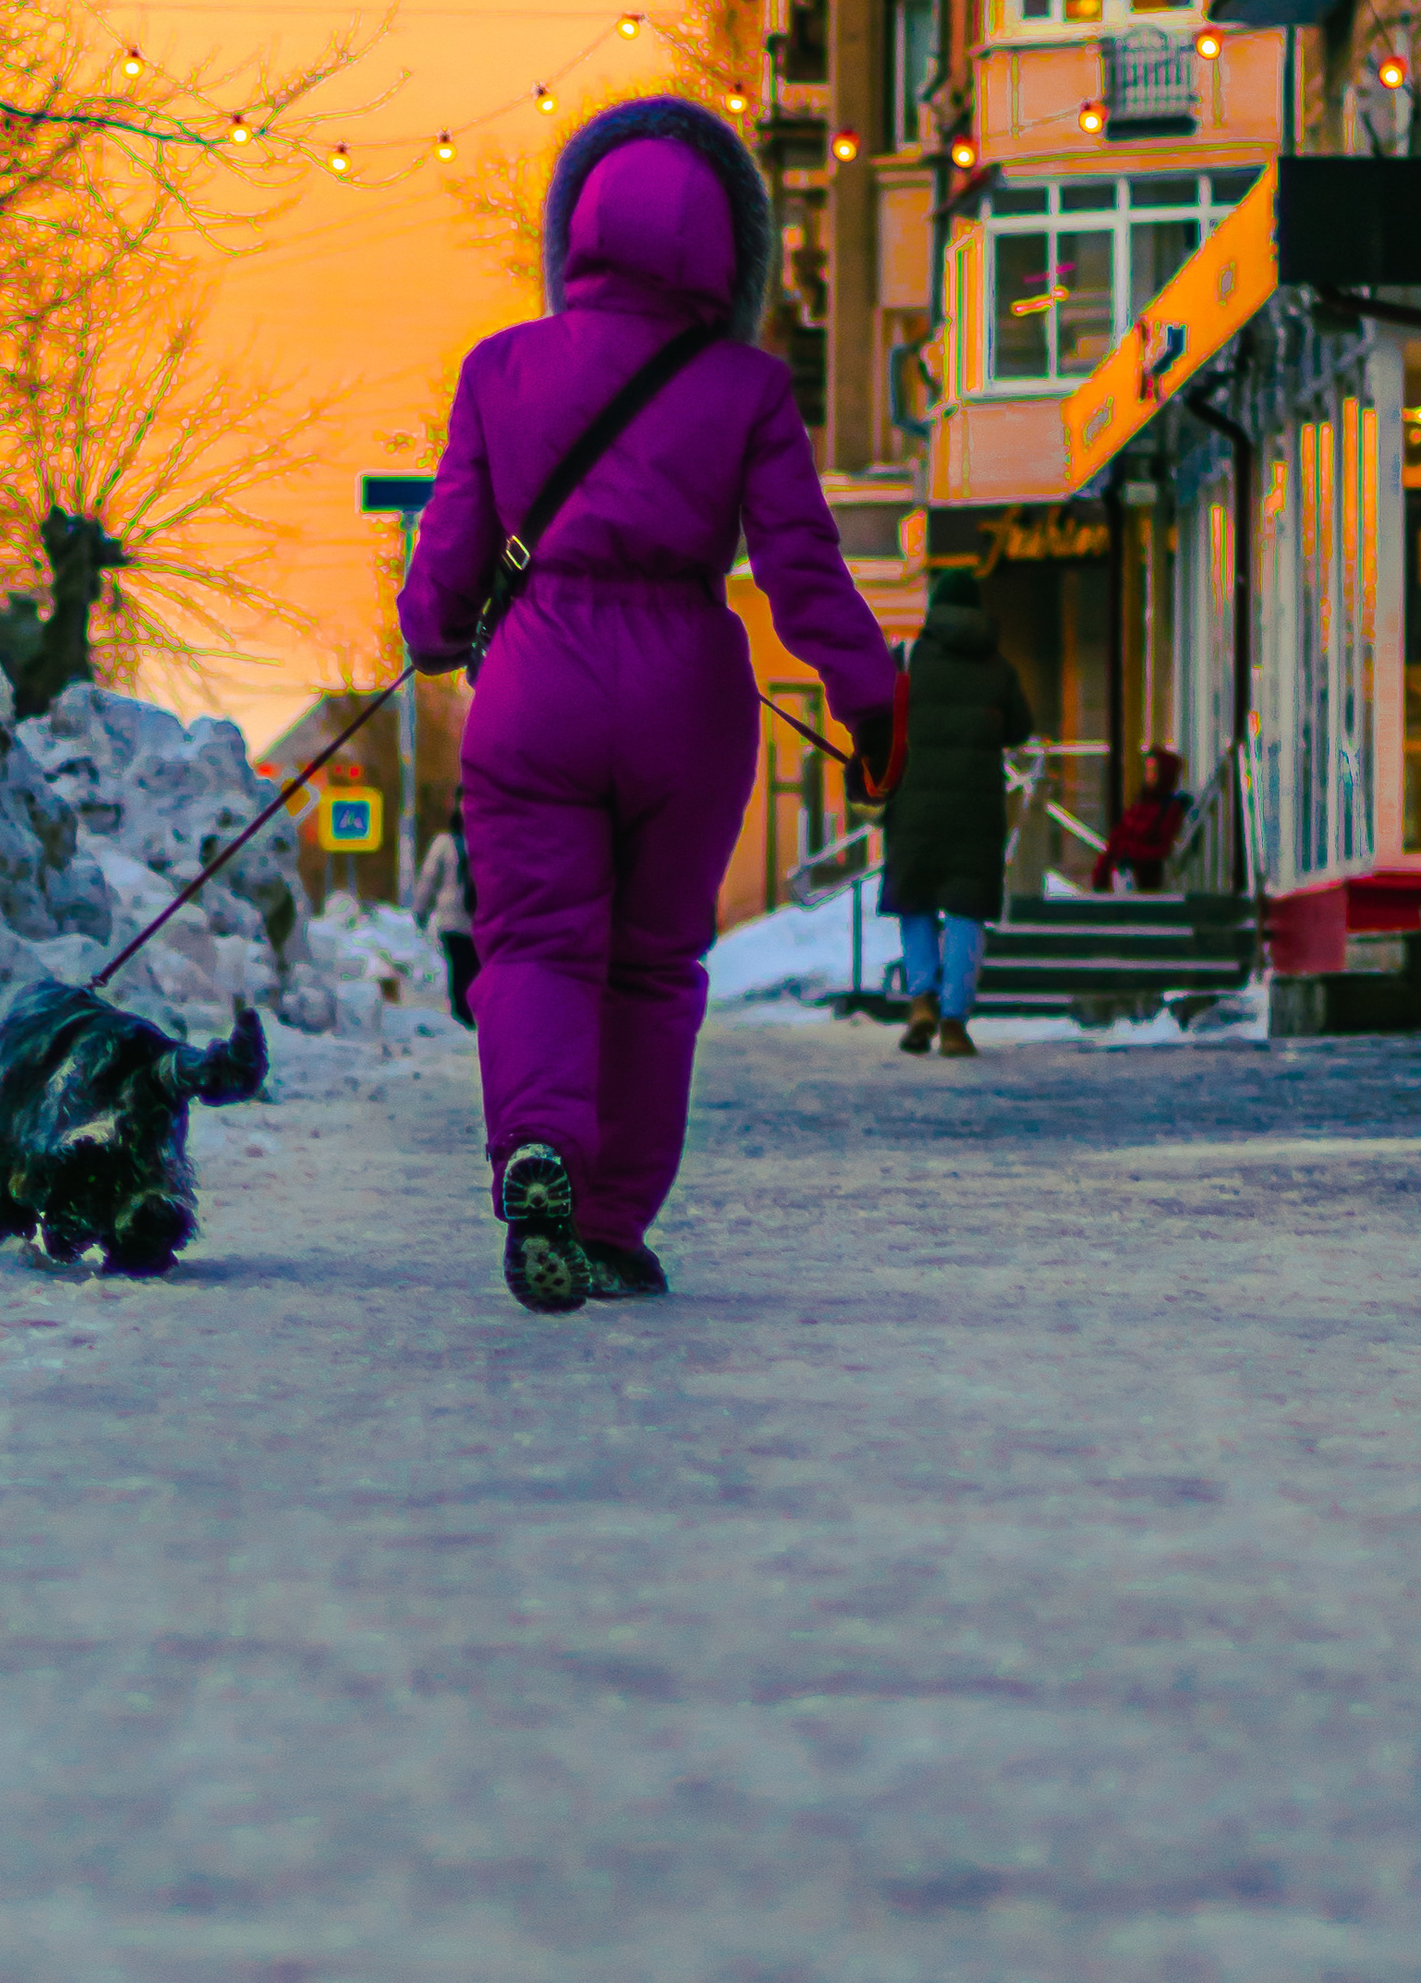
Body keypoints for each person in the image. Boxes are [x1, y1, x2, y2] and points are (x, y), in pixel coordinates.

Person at [400, 95, 898, 1315]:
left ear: (576, 229)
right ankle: (612, 1218)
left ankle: (539, 1151)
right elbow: (800, 567)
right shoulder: (745, 387)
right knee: (652, 965)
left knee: (534, 944)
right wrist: (869, 694)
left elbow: (447, 560)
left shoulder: (500, 368)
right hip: (687, 689)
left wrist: (433, 635)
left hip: (536, 687)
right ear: (733, 250)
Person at [882, 568, 1034, 1059]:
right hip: (977, 808)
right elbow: (1019, 730)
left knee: (916, 900)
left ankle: (921, 996)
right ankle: (953, 1022)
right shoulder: (998, 668)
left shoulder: (906, 660)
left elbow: (876, 718)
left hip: (914, 804)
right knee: (967, 909)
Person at [414, 799, 480, 1026]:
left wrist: (420, 910)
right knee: (475, 968)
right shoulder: (489, 840)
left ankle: (461, 1017)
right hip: (482, 918)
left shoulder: (444, 843)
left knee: (458, 968)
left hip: (451, 917)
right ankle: (474, 1012)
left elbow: (428, 879)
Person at [1091, 747, 1188, 893]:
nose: (1148, 776)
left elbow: (1162, 848)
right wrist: (1100, 879)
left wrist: (1131, 851)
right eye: (1147, 770)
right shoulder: (1139, 804)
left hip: (1147, 879)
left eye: (1154, 771)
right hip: (1122, 875)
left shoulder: (1169, 808)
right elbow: (1116, 840)